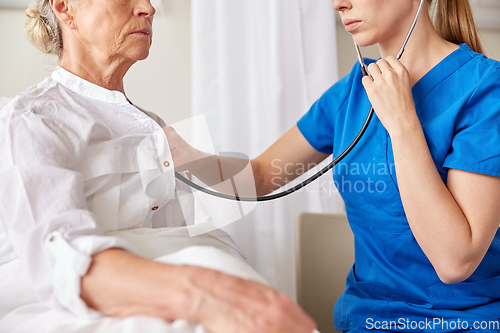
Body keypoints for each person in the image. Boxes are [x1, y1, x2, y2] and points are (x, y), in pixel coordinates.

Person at [169, 0, 500, 332]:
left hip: (464, 321)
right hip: (366, 321)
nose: (337, 4)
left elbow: (455, 262)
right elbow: (259, 177)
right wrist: (186, 156)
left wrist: (403, 123)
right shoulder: (350, 93)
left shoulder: (486, 90)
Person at [0, 0, 318, 333]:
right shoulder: (31, 121)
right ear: (65, 8)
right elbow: (64, 260)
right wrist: (206, 294)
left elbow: (248, 184)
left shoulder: (155, 127)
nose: (149, 8)